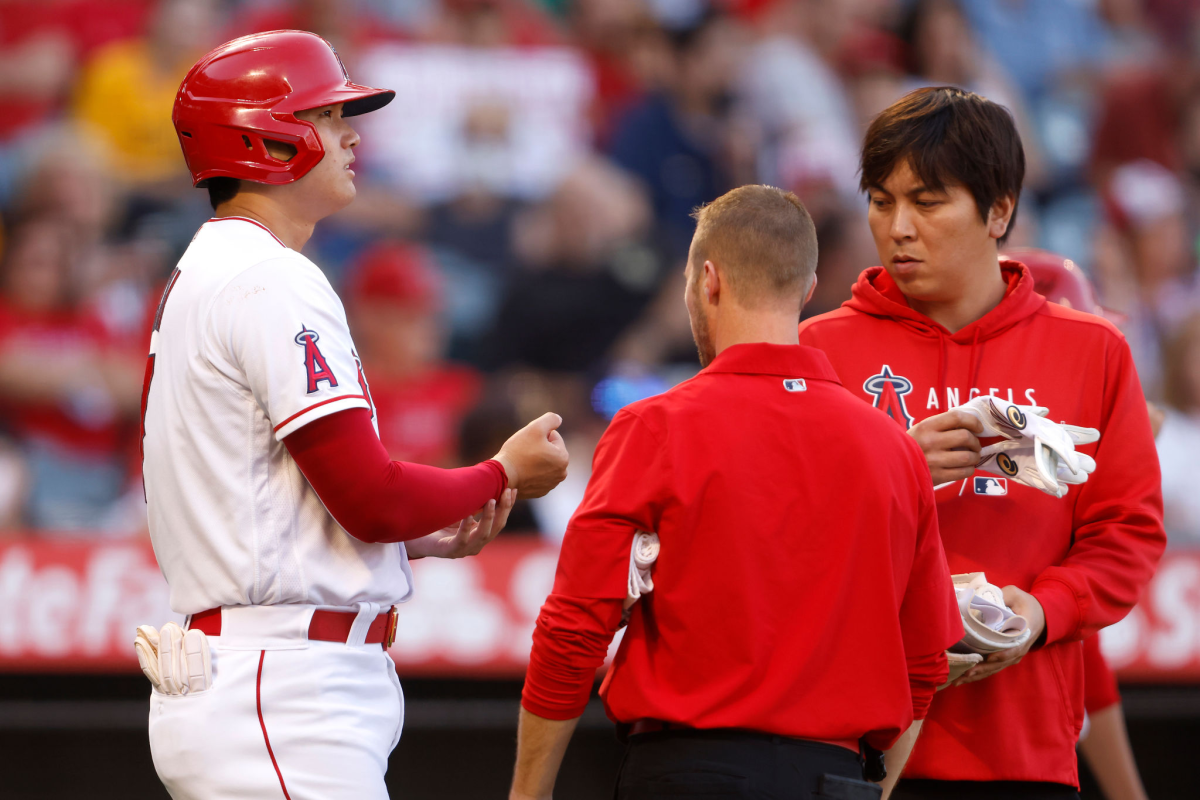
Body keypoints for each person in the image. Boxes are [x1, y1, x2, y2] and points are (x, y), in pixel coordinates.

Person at [140, 30, 568, 800]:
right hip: (280, 687)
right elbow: (372, 500)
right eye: (330, 115)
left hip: (263, 677)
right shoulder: (269, 277)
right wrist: (502, 472)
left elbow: (299, 499)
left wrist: (409, 539)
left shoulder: (213, 269)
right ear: (265, 138)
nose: (352, 133)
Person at [510, 184, 962, 800]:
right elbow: (925, 663)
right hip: (836, 778)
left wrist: (527, 794)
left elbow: (572, 632)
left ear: (707, 280)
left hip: (689, 772)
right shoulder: (895, 449)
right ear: (807, 290)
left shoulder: (655, 427)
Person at [798, 87, 1166, 797]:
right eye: (881, 200)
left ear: (999, 211)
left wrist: (1038, 611)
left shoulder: (1093, 352)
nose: (898, 226)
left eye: (927, 202)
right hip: (850, 749)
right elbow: (775, 542)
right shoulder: (816, 350)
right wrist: (897, 470)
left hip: (1021, 752)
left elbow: (1127, 535)